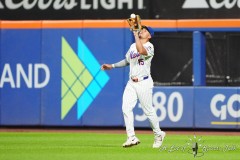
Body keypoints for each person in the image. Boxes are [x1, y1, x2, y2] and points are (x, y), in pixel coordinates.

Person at [101, 25, 166, 148]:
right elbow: (127, 61)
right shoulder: (132, 46)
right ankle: (131, 137)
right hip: (131, 83)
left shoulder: (150, 46)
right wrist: (112, 66)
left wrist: (136, 35)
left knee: (148, 111)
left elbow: (141, 51)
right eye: (142, 29)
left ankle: (159, 134)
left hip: (144, 82)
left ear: (149, 36)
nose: (142, 31)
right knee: (126, 108)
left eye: (145, 31)